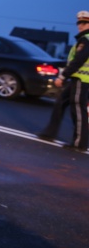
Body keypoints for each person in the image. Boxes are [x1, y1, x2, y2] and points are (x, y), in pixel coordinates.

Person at [38, 11, 89, 152]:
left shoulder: (86, 39)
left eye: (84, 23)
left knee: (78, 110)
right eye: (79, 23)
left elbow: (79, 60)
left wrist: (63, 76)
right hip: (77, 79)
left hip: (82, 79)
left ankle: (80, 144)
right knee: (60, 102)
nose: (80, 25)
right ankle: (50, 133)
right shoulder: (83, 39)